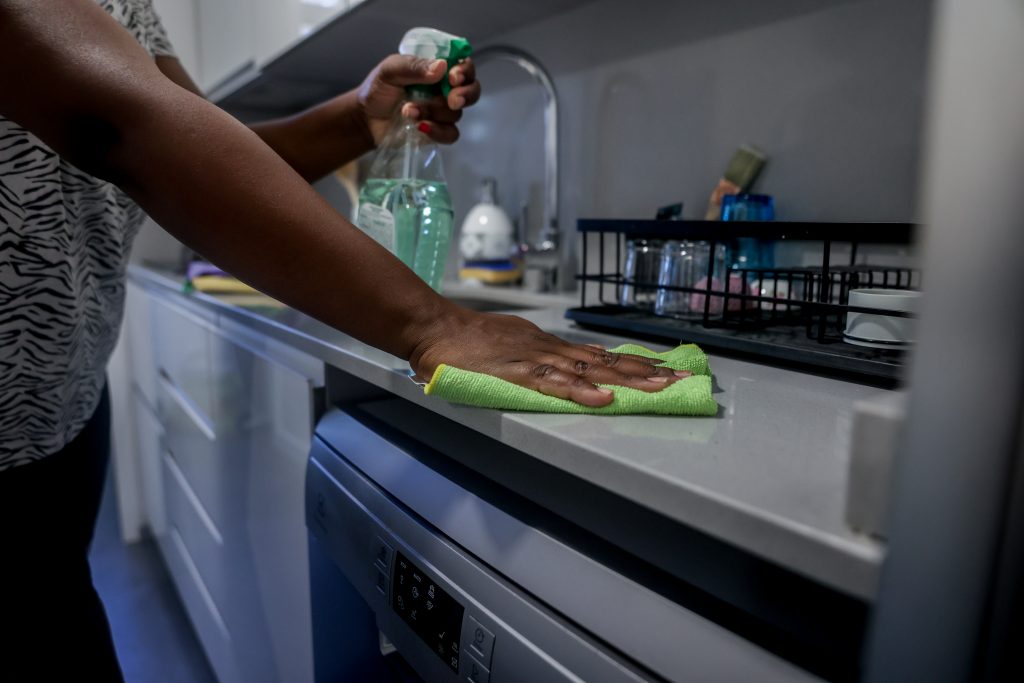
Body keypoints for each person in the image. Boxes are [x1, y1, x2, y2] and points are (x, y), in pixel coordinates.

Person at [0, 1, 684, 679]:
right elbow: (129, 126)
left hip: (66, 403)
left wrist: (359, 119)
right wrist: (435, 324)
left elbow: (204, 144)